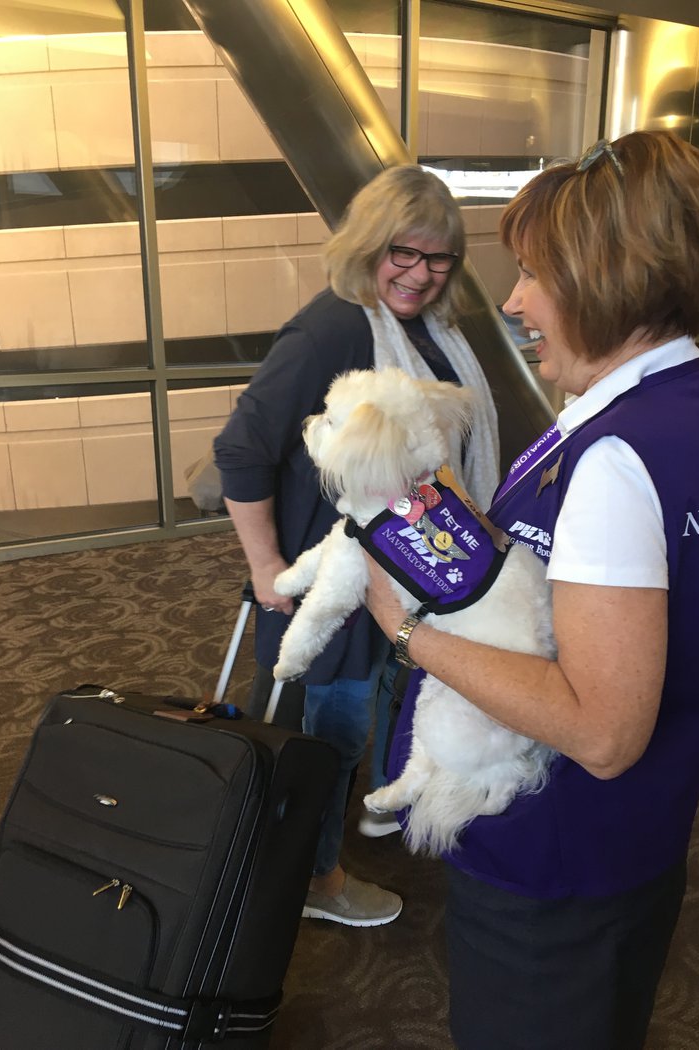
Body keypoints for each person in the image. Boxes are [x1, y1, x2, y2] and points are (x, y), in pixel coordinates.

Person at [364, 131, 699, 1044]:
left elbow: (604, 732)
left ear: (608, 278)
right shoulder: (662, 401)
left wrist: (409, 631)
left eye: (536, 272)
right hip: (619, 842)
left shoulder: (615, 451)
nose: (513, 299)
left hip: (559, 853)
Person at [214, 164, 500, 928]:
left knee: (373, 710)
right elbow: (241, 448)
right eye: (402, 252)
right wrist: (267, 566)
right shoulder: (336, 325)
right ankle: (316, 883)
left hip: (396, 574)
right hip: (330, 581)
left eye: (438, 258)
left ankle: (357, 826)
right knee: (324, 740)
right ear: (368, 244)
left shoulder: (428, 329)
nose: (419, 273)